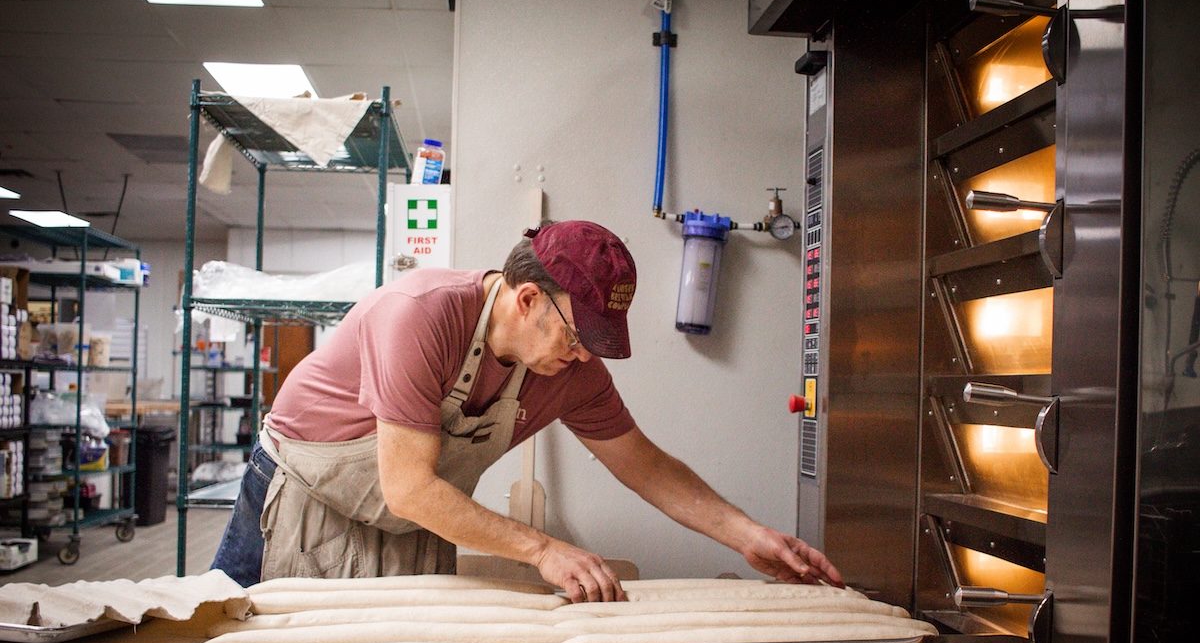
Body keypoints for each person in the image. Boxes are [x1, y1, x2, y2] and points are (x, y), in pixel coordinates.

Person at [210, 220, 843, 600]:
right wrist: (544, 551)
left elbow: (644, 466)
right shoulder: (421, 314)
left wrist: (750, 537)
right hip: (302, 506)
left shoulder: (569, 367)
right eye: (576, 336)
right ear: (528, 299)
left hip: (412, 526)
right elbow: (408, 486)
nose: (584, 358)